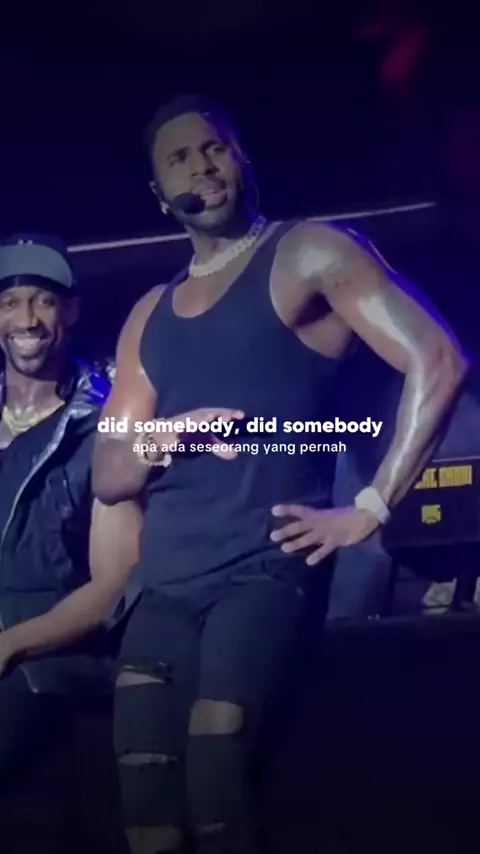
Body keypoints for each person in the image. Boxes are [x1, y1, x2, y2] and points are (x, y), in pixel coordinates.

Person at [92, 94, 467, 854]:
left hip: (262, 569)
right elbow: (109, 473)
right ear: (160, 194)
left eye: (215, 147)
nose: (202, 165)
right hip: (164, 585)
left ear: (241, 158)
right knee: (149, 819)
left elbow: (438, 358)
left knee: (218, 796)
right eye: (180, 158)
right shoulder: (147, 314)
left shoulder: (308, 253)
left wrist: (372, 505)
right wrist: (165, 436)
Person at [0, 234, 140, 854]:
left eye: (44, 301)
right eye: (11, 303)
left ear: (72, 310)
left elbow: (112, 589)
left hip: (49, 666)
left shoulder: (103, 428)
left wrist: (8, 646)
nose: (27, 319)